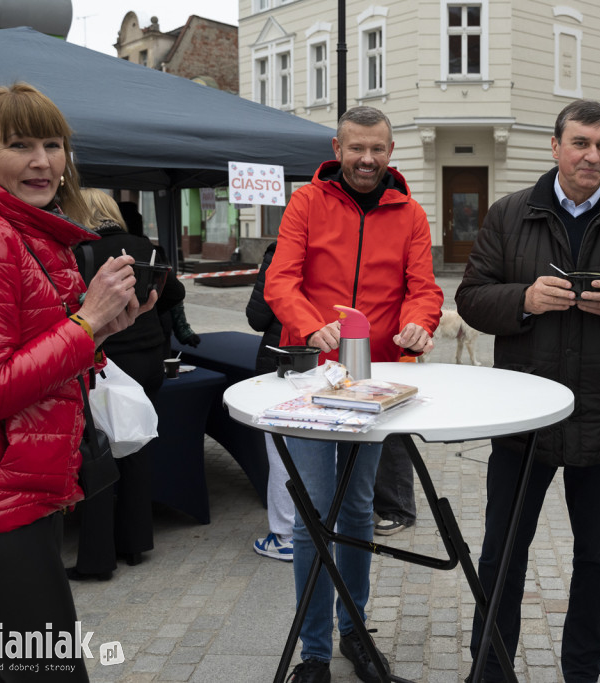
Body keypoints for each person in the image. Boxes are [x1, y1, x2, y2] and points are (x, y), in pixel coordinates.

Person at [0, 82, 155, 681]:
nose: (43, 160)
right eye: (19, 144)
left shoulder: (22, 231)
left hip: (10, 493)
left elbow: (32, 361)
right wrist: (87, 320)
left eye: (53, 143)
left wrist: (100, 329)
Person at [456, 99, 600, 682]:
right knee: (502, 555)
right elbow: (471, 298)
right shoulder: (510, 214)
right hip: (522, 415)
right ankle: (491, 670)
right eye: (580, 143)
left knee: (597, 560)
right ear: (555, 147)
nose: (592, 156)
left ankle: (582, 672)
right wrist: (524, 301)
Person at [264, 105, 443, 683]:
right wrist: (308, 323)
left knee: (360, 508)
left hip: (376, 382)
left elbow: (424, 289)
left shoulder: (411, 213)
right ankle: (313, 652)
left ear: (392, 151)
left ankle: (355, 632)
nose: (367, 160)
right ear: (337, 147)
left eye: (378, 150)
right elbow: (280, 281)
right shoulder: (307, 203)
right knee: (314, 515)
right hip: (315, 381)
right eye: (357, 148)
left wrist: (420, 322)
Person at [66, 189, 186, 580]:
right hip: (149, 356)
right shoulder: (142, 245)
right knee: (134, 445)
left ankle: (98, 559)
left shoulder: (80, 249)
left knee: (97, 452)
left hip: (105, 360)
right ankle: (134, 543)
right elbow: (175, 293)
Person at [245, 240, 295, 561]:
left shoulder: (280, 251)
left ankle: (285, 535)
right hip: (331, 361)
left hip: (282, 362)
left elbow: (257, 317)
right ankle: (322, 524)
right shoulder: (342, 245)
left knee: (281, 451)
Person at [117, 200, 201, 350]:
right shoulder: (150, 250)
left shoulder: (153, 251)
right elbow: (174, 293)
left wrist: (182, 329)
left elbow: (173, 292)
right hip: (145, 325)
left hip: (152, 325)